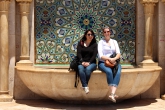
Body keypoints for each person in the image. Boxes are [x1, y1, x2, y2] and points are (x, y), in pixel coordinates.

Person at [98, 27, 121, 103]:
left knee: (118, 72)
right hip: (103, 63)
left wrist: (114, 59)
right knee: (109, 72)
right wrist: (110, 59)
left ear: (110, 32)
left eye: (108, 31)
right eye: (105, 32)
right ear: (103, 33)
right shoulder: (101, 42)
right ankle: (113, 94)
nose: (107, 33)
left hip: (114, 62)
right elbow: (101, 56)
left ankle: (112, 94)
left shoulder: (114, 41)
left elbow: (118, 53)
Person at [77, 29, 97, 94]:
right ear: (85, 35)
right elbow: (79, 53)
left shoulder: (94, 44)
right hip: (81, 62)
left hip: (92, 63)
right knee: (80, 69)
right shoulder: (81, 43)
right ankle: (85, 86)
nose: (90, 36)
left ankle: (84, 85)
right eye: (88, 34)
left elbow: (94, 55)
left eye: (92, 34)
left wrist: (89, 62)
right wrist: (82, 62)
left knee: (88, 70)